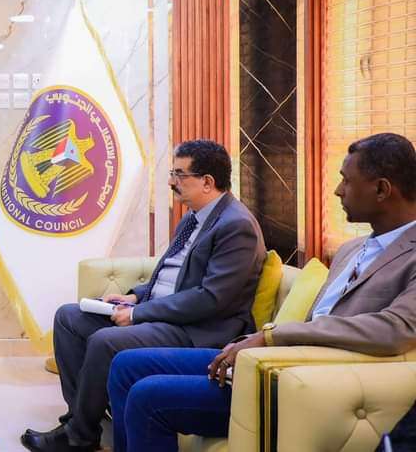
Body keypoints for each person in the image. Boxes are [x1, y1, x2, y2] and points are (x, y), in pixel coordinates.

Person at [107, 132, 416, 452]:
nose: (338, 190)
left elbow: (397, 328)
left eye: (347, 181)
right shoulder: (351, 249)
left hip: (310, 382)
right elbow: (316, 321)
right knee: (126, 365)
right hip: (274, 361)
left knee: (148, 396)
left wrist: (271, 337)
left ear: (381, 189)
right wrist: (258, 344)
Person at [22, 139, 266, 452]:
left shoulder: (236, 226)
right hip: (165, 314)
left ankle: (77, 436)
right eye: (172, 173)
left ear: (207, 182)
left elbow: (210, 298)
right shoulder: (194, 216)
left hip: (197, 330)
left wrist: (138, 314)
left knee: (105, 341)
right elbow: (172, 275)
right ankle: (81, 420)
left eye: (179, 175)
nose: (171, 182)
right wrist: (135, 298)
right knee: (69, 318)